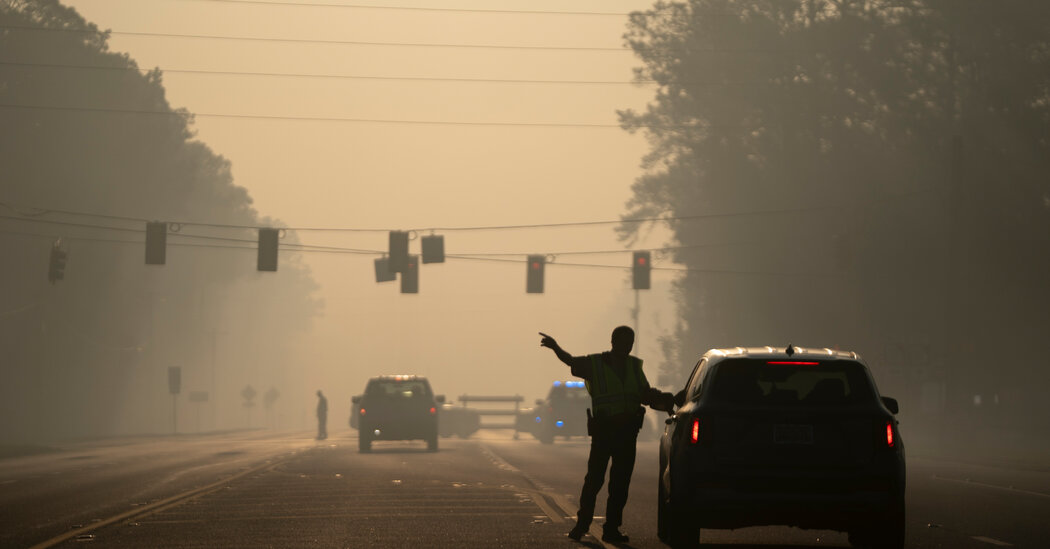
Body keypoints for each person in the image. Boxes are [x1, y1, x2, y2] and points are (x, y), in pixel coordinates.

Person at [539, 326, 675, 543]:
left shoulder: (634, 366)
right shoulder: (596, 364)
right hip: (604, 434)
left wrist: (668, 399)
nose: (627, 346)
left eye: (630, 342)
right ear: (613, 342)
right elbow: (572, 362)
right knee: (594, 481)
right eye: (624, 342)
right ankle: (582, 525)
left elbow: (645, 394)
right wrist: (555, 347)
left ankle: (611, 529)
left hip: (627, 435)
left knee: (620, 485)